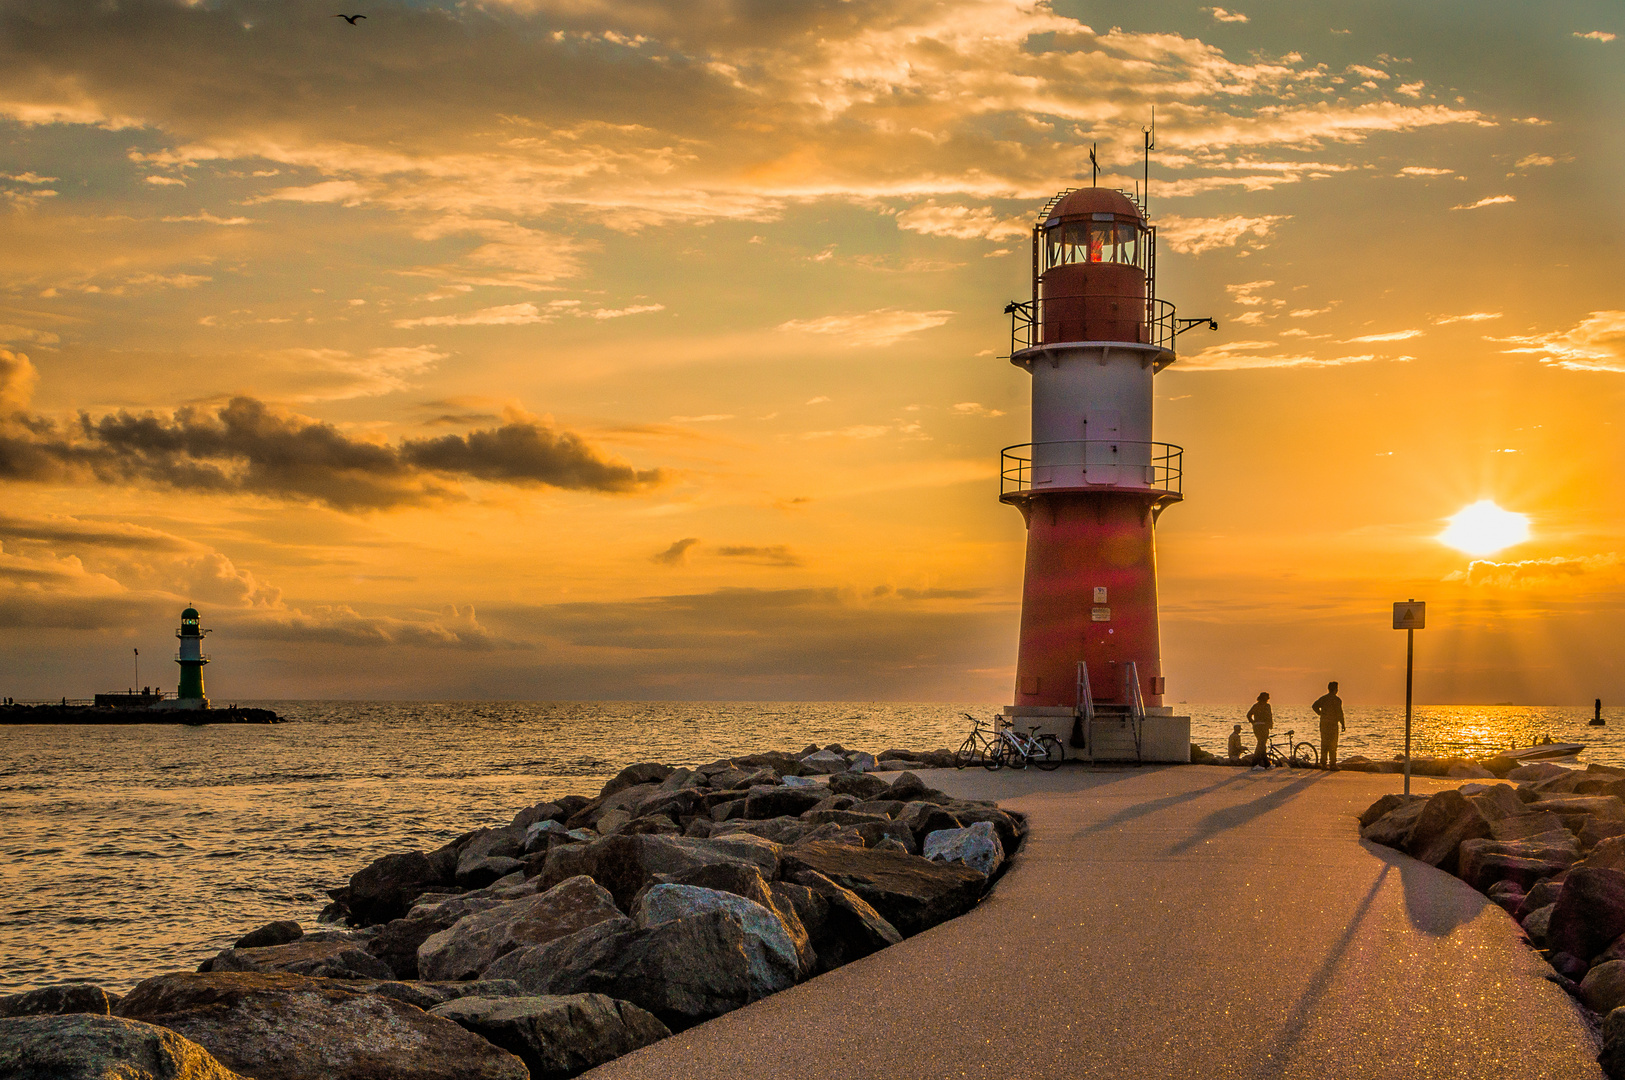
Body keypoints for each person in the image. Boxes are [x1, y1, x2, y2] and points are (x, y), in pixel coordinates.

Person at [1312, 681, 1346, 770]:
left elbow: (1314, 706)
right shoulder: (1337, 700)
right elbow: (1339, 713)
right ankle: (1332, 764)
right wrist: (1342, 724)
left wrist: (1321, 714)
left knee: (1324, 743)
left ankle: (1323, 764)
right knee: (1333, 744)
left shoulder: (1323, 699)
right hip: (1333, 725)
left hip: (1324, 724)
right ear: (1336, 689)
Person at [1246, 693, 1273, 767]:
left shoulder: (1256, 706)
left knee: (1261, 744)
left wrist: (1253, 722)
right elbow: (1269, 716)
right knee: (1261, 744)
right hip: (1263, 727)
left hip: (1258, 727)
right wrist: (1270, 724)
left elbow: (1248, 715)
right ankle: (1255, 763)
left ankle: (1265, 763)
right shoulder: (1267, 706)